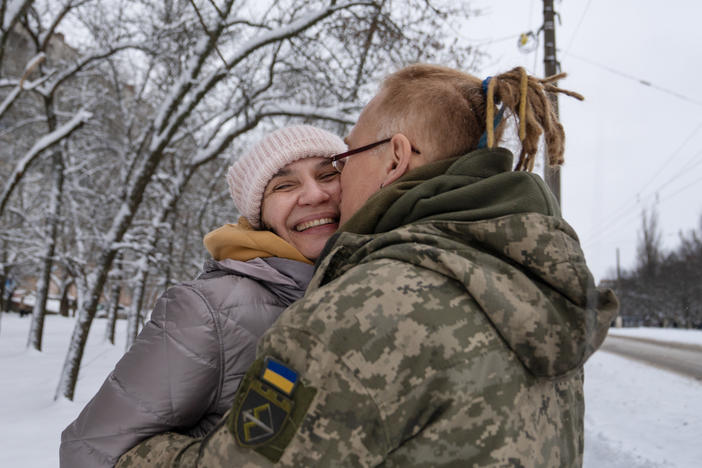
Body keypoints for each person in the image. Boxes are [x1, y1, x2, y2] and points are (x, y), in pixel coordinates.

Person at [117, 65, 619, 467]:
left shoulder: (360, 309)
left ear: (395, 158)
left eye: (345, 157)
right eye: (285, 185)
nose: (331, 184)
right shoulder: (531, 280)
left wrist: (136, 459)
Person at [60, 125, 347, 467]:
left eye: (328, 175)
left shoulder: (373, 291)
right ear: (260, 216)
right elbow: (90, 450)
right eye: (284, 185)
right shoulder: (209, 311)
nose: (314, 195)